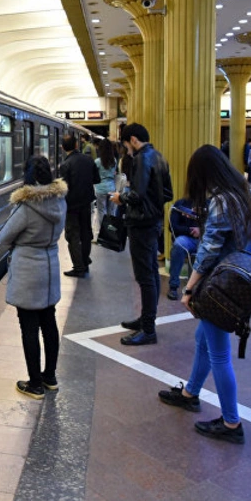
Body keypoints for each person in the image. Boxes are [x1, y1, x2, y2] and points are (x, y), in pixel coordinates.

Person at [158, 145, 251, 444]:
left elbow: (207, 252)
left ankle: (232, 423)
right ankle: (191, 393)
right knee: (203, 340)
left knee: (219, 353)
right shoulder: (249, 195)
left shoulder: (221, 201)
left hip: (219, 286)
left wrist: (189, 289)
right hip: (239, 280)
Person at [0, 155, 66, 400]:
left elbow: (4, 237)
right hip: (50, 267)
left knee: (29, 327)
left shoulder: (26, 207)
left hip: (28, 271)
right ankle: (50, 377)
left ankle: (35, 384)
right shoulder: (60, 201)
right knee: (49, 322)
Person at [110, 123, 172, 345]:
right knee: (152, 273)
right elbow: (168, 192)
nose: (127, 151)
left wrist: (121, 198)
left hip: (141, 224)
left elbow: (136, 195)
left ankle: (148, 329)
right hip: (154, 222)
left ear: (133, 140)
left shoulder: (140, 159)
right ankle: (146, 320)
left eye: (127, 146)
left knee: (145, 277)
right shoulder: (159, 157)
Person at [59, 133, 99, 277]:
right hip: (86, 203)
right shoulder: (88, 160)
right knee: (86, 232)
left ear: (63, 148)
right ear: (77, 145)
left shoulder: (65, 165)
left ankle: (79, 267)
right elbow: (97, 179)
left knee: (73, 235)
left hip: (71, 206)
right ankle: (85, 261)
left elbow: (63, 187)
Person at [165, 197, 201, 300]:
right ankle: (173, 286)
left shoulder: (209, 204)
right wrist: (191, 231)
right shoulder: (181, 204)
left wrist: (201, 231)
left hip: (204, 238)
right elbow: (172, 226)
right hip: (187, 237)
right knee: (178, 245)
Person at [93, 137, 119, 221]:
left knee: (101, 212)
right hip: (111, 188)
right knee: (111, 211)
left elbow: (94, 174)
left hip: (100, 189)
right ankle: (110, 231)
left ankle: (103, 231)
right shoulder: (114, 161)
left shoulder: (97, 161)